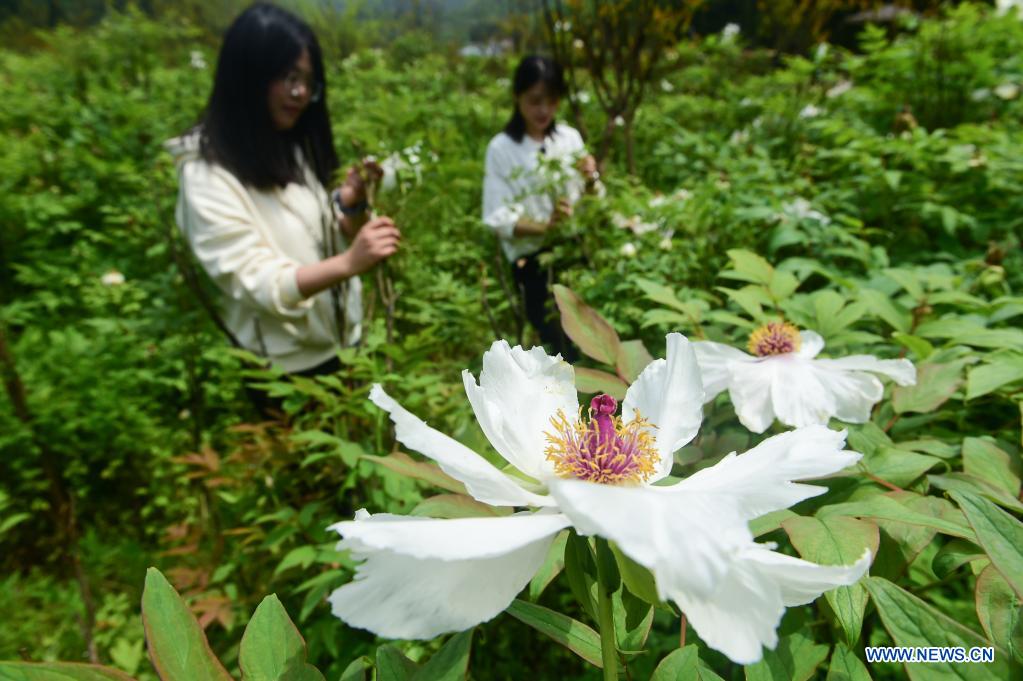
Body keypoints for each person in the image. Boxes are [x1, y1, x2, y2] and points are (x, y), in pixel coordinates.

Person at [167, 4, 400, 394]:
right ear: (248, 76)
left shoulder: (282, 146)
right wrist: (348, 263)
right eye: (289, 77)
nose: (301, 93)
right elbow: (258, 281)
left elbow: (310, 232)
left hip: (340, 340)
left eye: (309, 81)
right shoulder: (206, 176)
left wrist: (349, 203)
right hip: (285, 367)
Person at [482, 55, 601, 361]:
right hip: (532, 263)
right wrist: (545, 226)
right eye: (535, 101)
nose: (544, 110)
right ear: (517, 97)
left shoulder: (569, 138)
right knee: (563, 351)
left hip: (576, 252)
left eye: (551, 100)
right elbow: (497, 218)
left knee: (595, 344)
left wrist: (590, 179)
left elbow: (594, 199)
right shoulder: (502, 149)